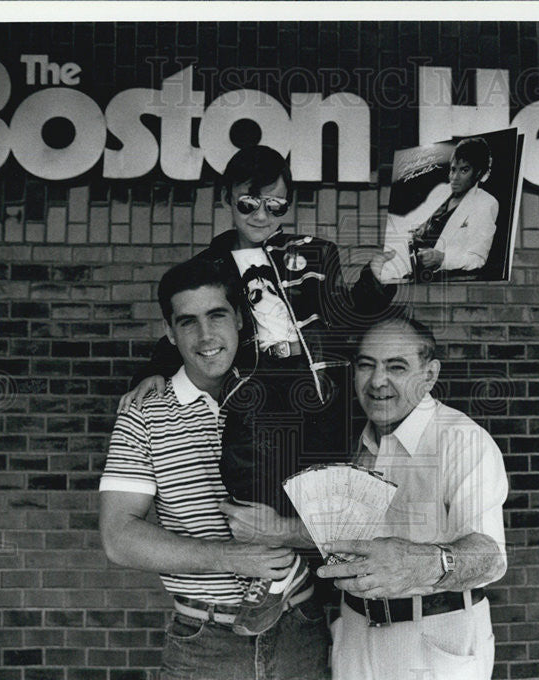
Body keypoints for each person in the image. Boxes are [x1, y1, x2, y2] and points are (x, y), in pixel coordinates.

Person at [222, 315, 509, 680]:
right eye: (366, 364)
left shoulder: (461, 440)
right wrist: (280, 529)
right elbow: (347, 537)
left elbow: (491, 558)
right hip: (357, 634)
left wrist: (420, 563)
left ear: (429, 375)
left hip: (434, 637)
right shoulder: (361, 440)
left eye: (396, 366)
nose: (377, 381)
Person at [120, 144, 397, 542]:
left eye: (275, 205)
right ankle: (269, 580)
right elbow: (192, 325)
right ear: (227, 199)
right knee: (251, 478)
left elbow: (345, 317)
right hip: (254, 383)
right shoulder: (209, 266)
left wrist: (376, 284)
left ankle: (324, 588)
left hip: (318, 386)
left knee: (328, 493)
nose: (261, 216)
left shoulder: (317, 254)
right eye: (248, 204)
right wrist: (153, 370)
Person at [99, 255, 329, 680]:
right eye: (188, 322)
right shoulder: (144, 413)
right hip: (204, 640)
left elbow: (348, 521)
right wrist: (231, 558)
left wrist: (285, 533)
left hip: (299, 635)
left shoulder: (290, 396)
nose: (205, 336)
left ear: (240, 319)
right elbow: (118, 537)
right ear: (169, 331)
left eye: (217, 315)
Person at [409, 136, 499, 276]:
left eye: (464, 170)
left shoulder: (485, 203)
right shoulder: (441, 191)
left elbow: (477, 260)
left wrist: (442, 258)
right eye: (453, 169)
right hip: (409, 270)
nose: (454, 177)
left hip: (436, 280)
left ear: (478, 173)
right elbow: (414, 223)